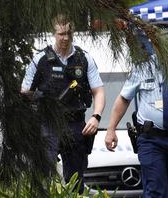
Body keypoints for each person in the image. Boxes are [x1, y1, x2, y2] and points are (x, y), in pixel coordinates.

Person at [104, 35, 168, 198]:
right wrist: (111, 129)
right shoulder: (142, 68)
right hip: (151, 138)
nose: (165, 43)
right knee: (156, 191)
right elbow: (124, 99)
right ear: (153, 42)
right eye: (160, 39)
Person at [20, 14, 105, 191]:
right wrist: (42, 100)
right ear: (54, 33)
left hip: (75, 124)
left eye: (68, 32)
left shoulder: (84, 58)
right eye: (61, 34)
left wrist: (96, 117)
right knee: (43, 179)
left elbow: (99, 92)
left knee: (76, 181)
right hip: (47, 123)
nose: (65, 37)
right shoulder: (41, 59)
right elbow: (25, 91)